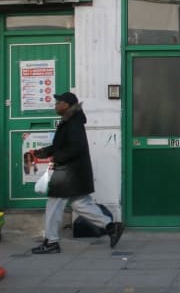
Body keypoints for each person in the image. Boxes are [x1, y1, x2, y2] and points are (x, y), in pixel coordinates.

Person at [31, 91, 124, 254]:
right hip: (74, 172)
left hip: (68, 173)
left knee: (53, 205)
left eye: (58, 103)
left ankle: (51, 241)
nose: (56, 105)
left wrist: (56, 158)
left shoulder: (73, 123)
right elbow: (61, 146)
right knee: (81, 204)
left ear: (67, 105)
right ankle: (111, 227)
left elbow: (75, 148)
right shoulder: (70, 121)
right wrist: (42, 152)